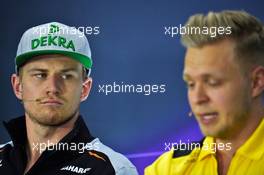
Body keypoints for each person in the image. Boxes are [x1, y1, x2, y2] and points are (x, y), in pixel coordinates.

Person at [0, 22, 138, 175]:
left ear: (85, 89)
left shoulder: (112, 170)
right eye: (40, 75)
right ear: (18, 86)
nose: (52, 88)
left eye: (66, 76)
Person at [145, 10, 264, 175]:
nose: (197, 98)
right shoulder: (166, 169)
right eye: (191, 84)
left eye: (213, 82)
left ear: (256, 82)